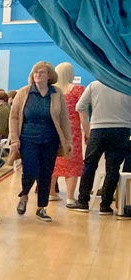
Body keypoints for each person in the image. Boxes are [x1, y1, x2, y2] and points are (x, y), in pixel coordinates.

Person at [8, 62, 73, 222]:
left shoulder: (56, 93)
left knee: (46, 173)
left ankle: (41, 208)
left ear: (49, 75)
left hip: (50, 139)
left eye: (42, 72)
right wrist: (14, 139)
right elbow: (14, 116)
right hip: (28, 138)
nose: (38, 75)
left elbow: (64, 118)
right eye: (35, 72)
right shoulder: (24, 92)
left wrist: (68, 140)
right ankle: (24, 195)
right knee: (30, 170)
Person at [67, 80, 131, 216]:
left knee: (90, 165)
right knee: (113, 168)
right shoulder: (126, 84)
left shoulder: (95, 85)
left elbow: (80, 106)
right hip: (122, 129)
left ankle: (83, 201)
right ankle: (106, 205)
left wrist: (90, 119)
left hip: (98, 128)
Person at [49, 63, 86, 204]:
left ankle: (51, 192)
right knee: (72, 163)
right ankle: (70, 197)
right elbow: (83, 112)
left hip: (54, 129)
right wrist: (86, 130)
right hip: (72, 131)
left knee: (52, 161)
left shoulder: (52, 91)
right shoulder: (77, 90)